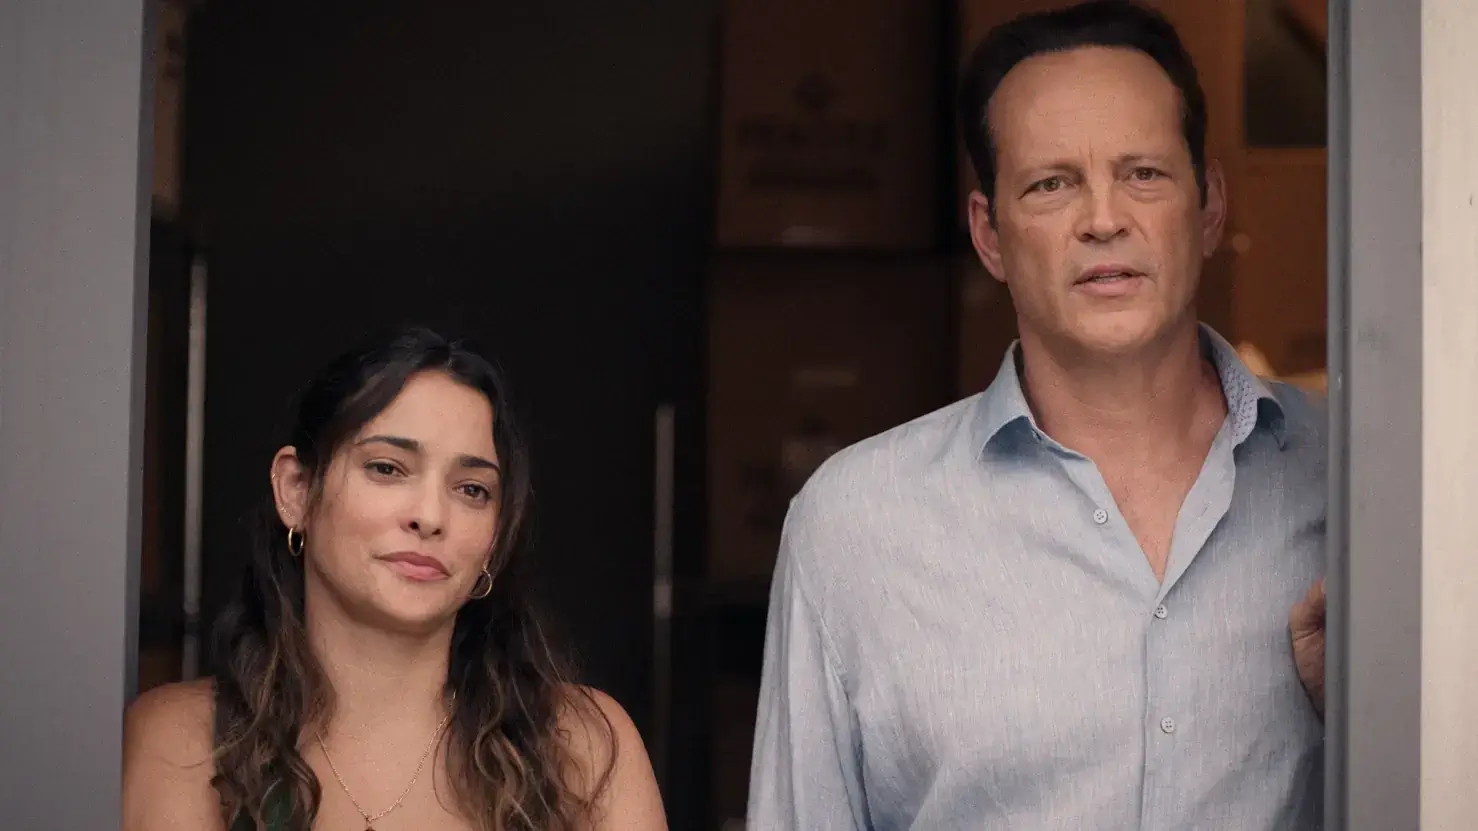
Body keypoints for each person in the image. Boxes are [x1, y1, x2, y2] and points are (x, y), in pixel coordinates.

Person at [746, 2, 1326, 829]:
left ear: (1209, 207)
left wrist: (1365, 710)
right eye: (1052, 184)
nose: (1104, 218)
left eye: (1143, 173)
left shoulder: (1355, 476)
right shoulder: (853, 525)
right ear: (990, 234)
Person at [122, 326, 666, 831]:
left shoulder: (581, 745)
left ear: (495, 538)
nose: (430, 516)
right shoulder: (184, 742)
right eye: (387, 468)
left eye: (472, 489)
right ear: (296, 491)